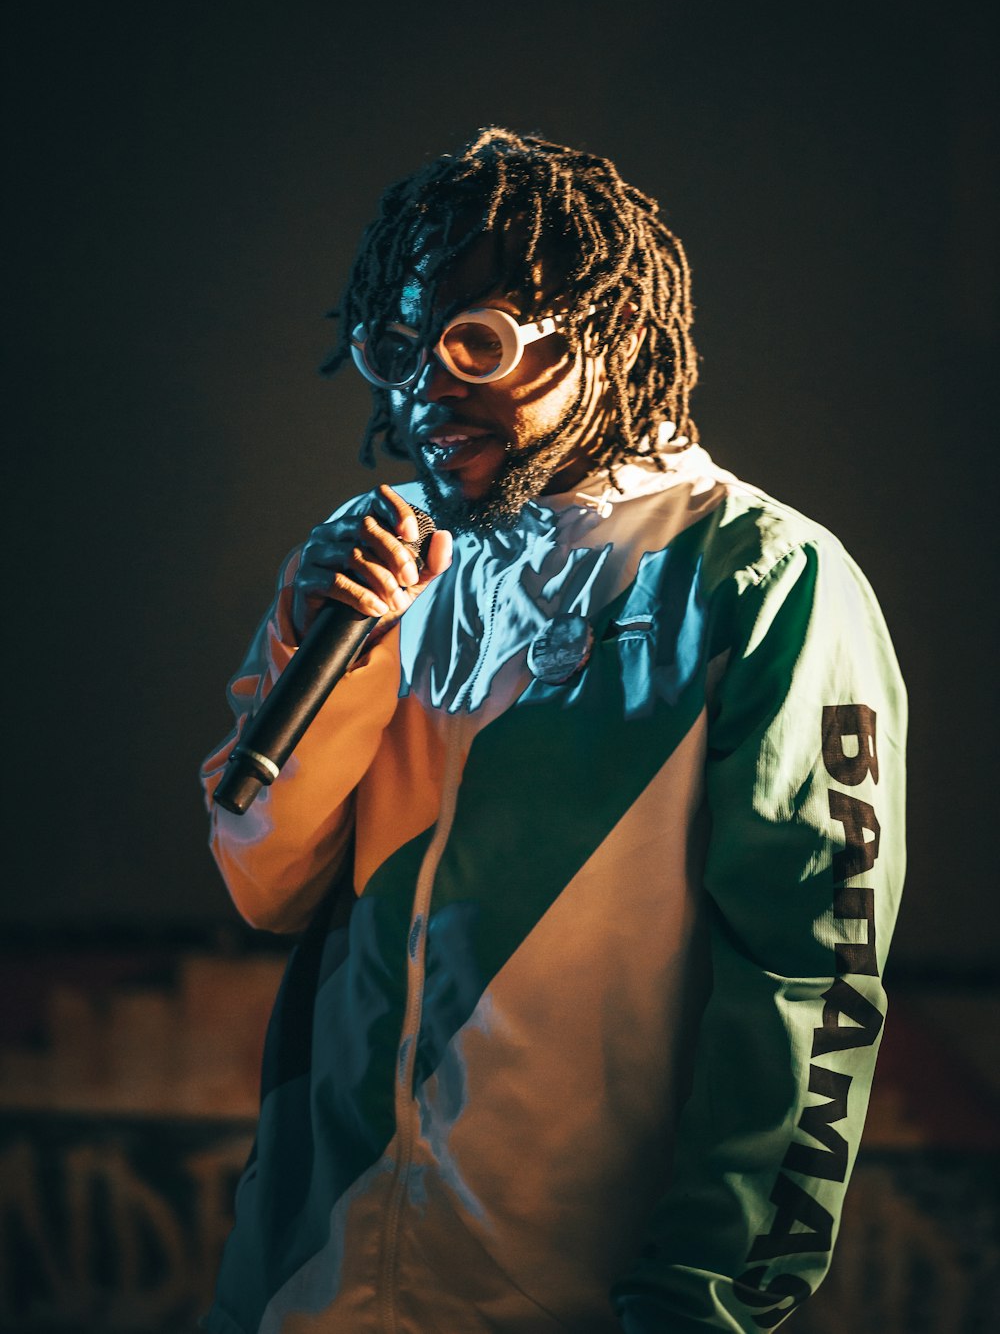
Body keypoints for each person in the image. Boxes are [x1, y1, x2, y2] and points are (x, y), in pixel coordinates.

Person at [200, 127, 906, 1333]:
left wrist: (705, 1304)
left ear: (607, 335)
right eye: (402, 346)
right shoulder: (379, 558)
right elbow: (262, 884)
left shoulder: (760, 577)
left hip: (580, 1300)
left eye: (477, 340)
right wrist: (334, 650)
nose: (430, 385)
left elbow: (811, 983)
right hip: (304, 1288)